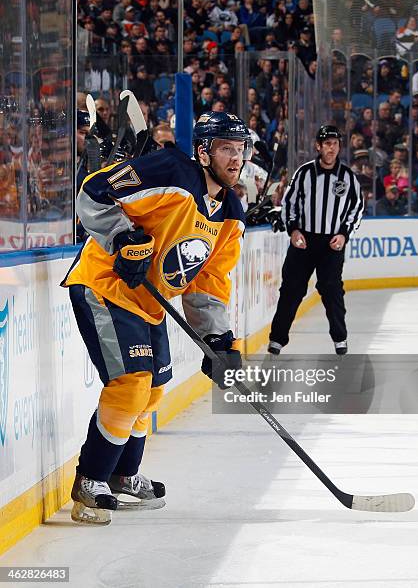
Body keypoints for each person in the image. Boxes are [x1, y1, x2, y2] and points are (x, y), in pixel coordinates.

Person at [62, 112, 252, 524]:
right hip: (105, 283)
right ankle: (90, 481)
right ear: (203, 151)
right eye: (225, 149)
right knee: (131, 385)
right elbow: (95, 190)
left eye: (240, 150)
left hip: (149, 300)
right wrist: (122, 238)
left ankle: (123, 474)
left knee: (153, 392)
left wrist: (219, 341)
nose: (235, 159)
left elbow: (208, 281)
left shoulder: (231, 212)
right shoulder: (172, 171)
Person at [268, 125, 363, 357]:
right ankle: (277, 340)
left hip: (332, 244)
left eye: (335, 143)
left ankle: (340, 339)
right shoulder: (304, 173)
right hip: (304, 241)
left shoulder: (348, 177)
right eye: (327, 143)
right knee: (291, 289)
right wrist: (293, 230)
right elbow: (289, 203)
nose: (332, 148)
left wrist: (344, 234)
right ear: (318, 146)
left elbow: (357, 208)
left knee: (332, 290)